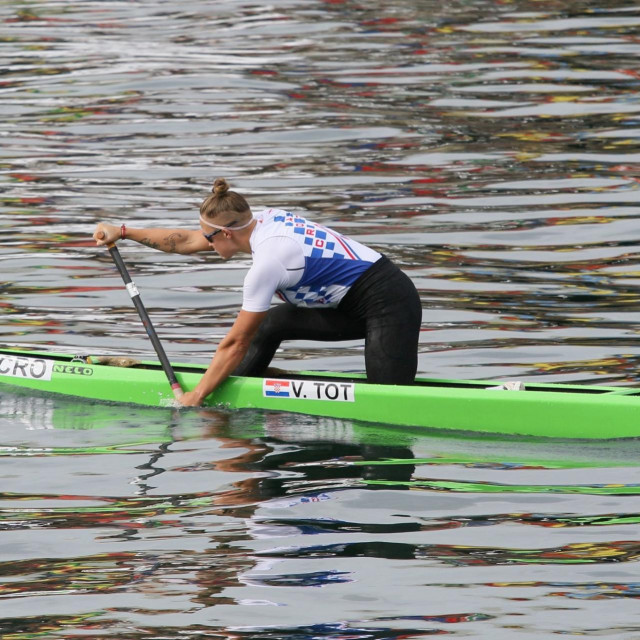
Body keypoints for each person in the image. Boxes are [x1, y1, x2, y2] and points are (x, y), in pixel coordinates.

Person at [94, 178, 422, 406]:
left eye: (209, 237)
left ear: (224, 233)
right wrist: (123, 232)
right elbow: (186, 241)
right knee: (271, 324)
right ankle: (232, 389)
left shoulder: (268, 262)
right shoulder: (259, 222)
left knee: (391, 400)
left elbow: (235, 342)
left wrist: (194, 397)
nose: (203, 242)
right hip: (348, 304)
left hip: (389, 303)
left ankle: (208, 393)